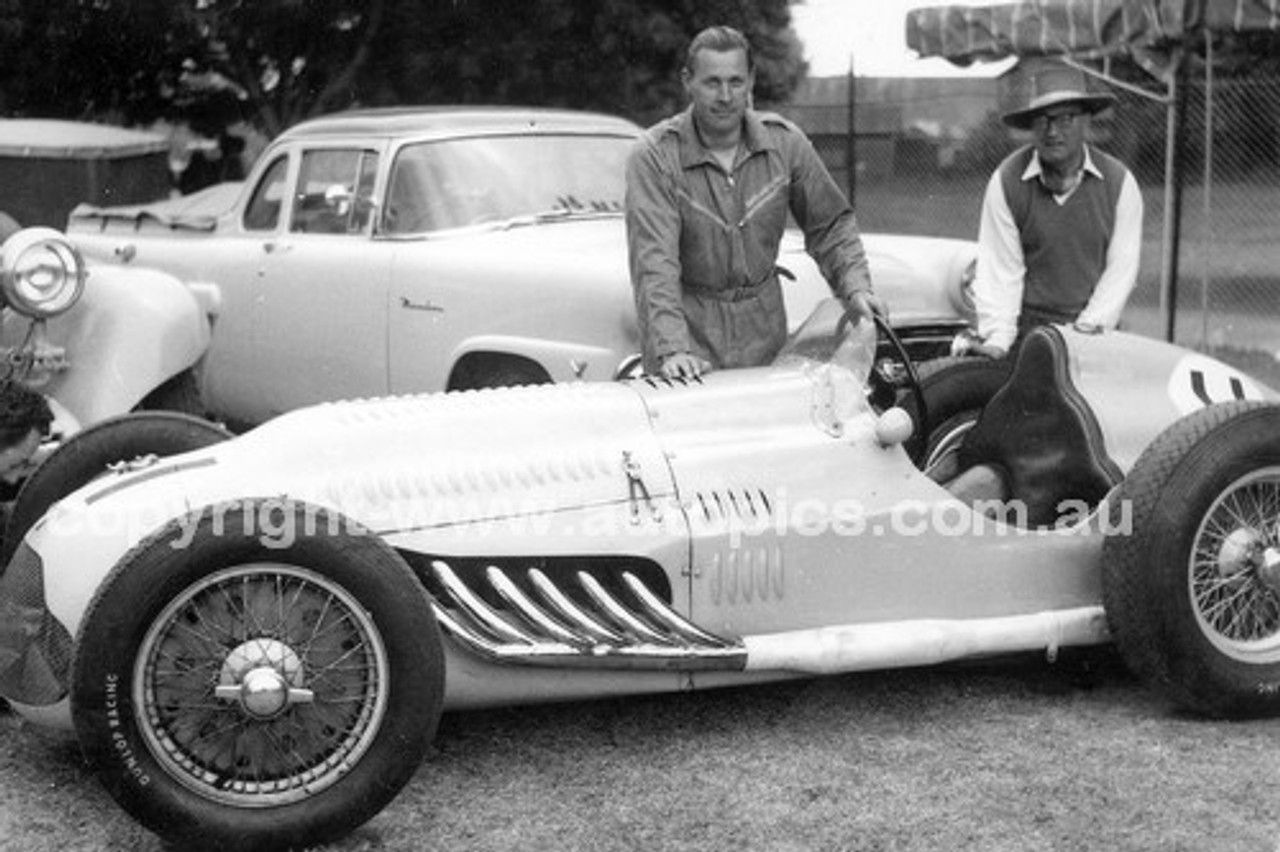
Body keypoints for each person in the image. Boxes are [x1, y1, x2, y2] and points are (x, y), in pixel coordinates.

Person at [625, 25, 882, 380]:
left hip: (765, 334)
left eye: (736, 81)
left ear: (751, 81)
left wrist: (856, 287)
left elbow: (831, 225)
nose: (726, 96)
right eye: (712, 82)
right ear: (688, 81)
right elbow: (655, 263)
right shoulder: (655, 156)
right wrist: (672, 350)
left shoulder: (785, 144)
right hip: (690, 337)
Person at [969, 59, 1143, 359]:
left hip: (1095, 333)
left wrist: (1084, 336)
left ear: (1086, 121)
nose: (1052, 131)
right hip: (1028, 334)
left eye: (1066, 119)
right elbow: (1001, 271)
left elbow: (1120, 272)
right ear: (1032, 126)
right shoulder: (1008, 181)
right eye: (1043, 120)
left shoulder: (1119, 183)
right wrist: (998, 342)